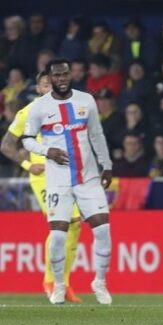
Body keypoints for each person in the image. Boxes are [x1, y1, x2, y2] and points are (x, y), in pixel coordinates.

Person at [21, 58, 113, 305]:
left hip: (87, 178)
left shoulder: (86, 100)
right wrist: (42, 154)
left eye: (64, 74)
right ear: (48, 80)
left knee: (102, 230)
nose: (60, 79)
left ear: (70, 75)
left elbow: (96, 135)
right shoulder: (36, 108)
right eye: (55, 76)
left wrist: (107, 165)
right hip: (55, 180)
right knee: (60, 235)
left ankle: (99, 282)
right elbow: (22, 141)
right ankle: (57, 284)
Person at [0, 70, 82, 302]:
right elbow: (6, 145)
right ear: (38, 89)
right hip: (44, 176)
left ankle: (63, 283)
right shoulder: (28, 112)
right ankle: (50, 281)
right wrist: (27, 164)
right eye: (46, 86)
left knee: (76, 225)